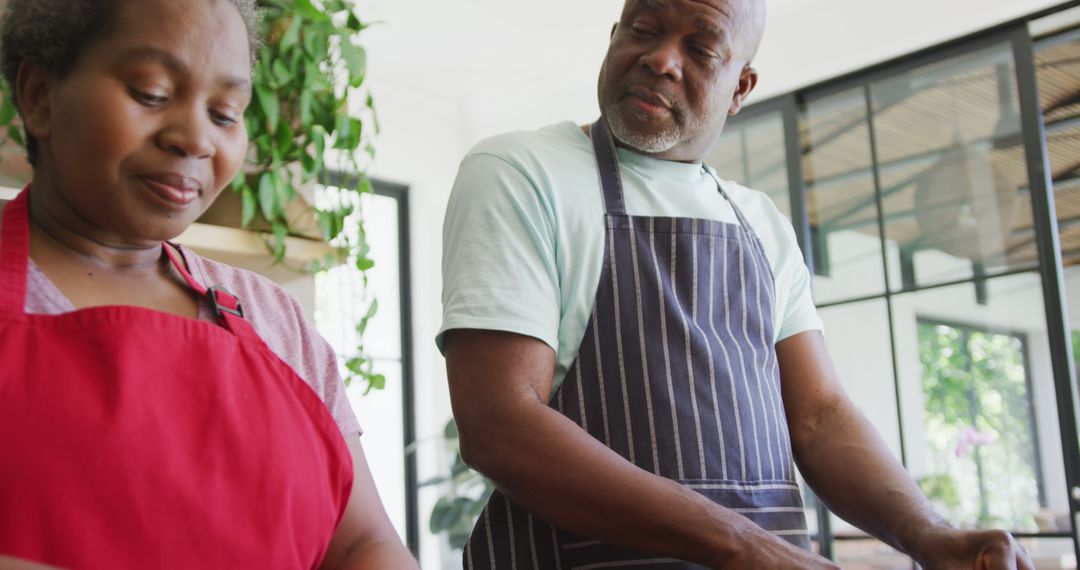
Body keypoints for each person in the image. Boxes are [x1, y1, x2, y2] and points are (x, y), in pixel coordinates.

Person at [439, 0, 1035, 568]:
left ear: (741, 89)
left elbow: (821, 417)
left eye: (700, 48)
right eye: (644, 29)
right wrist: (741, 547)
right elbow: (500, 425)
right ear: (615, 36)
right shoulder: (522, 172)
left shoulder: (759, 221)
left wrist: (930, 535)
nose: (662, 60)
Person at [0, 1, 417, 569]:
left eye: (225, 113)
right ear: (40, 96)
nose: (195, 137)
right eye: (151, 92)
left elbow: (366, 543)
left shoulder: (276, 319)